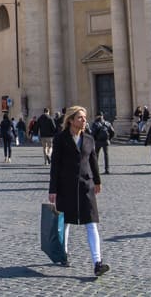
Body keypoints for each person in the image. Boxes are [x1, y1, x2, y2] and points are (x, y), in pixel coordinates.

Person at [48, 106, 110, 277]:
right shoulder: (60, 139)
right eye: (81, 118)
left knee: (91, 223)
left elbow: (93, 161)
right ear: (71, 120)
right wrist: (52, 189)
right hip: (66, 185)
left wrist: (97, 181)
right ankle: (64, 254)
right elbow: (55, 165)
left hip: (85, 186)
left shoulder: (89, 139)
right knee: (65, 222)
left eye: (85, 118)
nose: (84, 121)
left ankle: (97, 262)